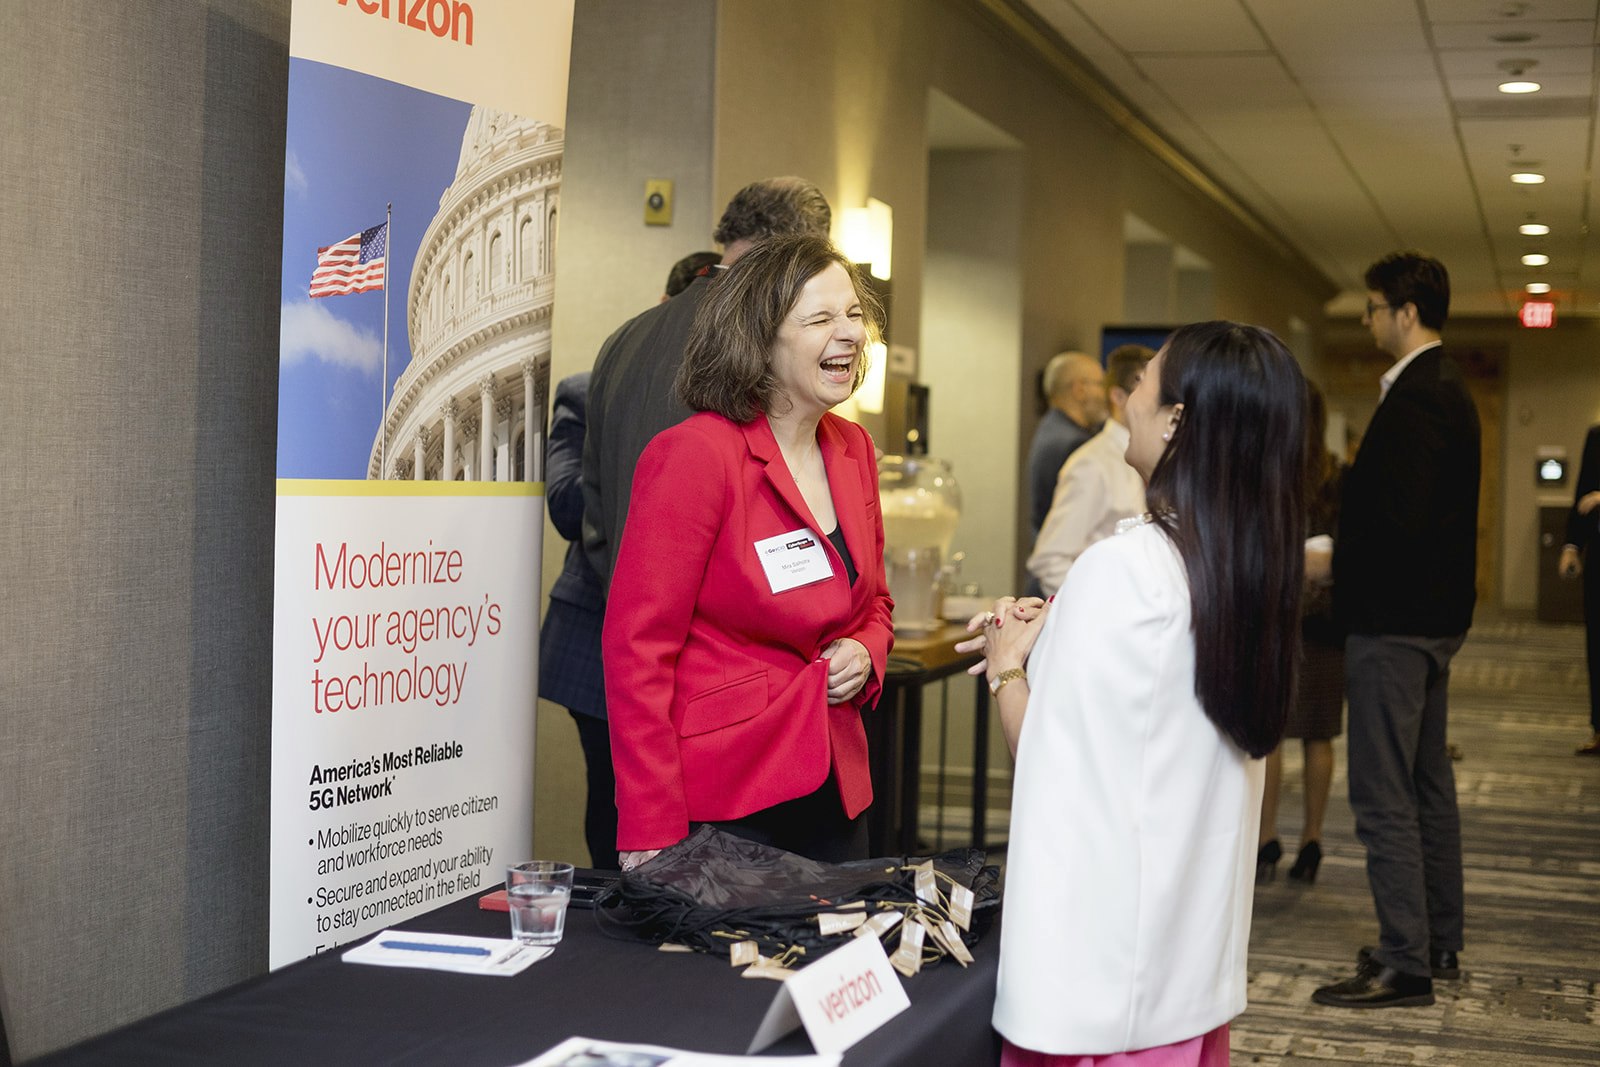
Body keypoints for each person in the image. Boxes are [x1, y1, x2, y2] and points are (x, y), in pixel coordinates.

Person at [961, 321, 1307, 1064]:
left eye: (1145, 379)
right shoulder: (1243, 570)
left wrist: (1008, 664)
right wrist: (1061, 627)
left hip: (1106, 972)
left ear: (1176, 418)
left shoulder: (1123, 571)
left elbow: (1047, 761)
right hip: (1186, 960)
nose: (1128, 396)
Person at [603, 235, 895, 870]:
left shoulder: (853, 449)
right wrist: (649, 823)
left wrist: (864, 651)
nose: (849, 334)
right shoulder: (697, 455)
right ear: (760, 340)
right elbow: (637, 651)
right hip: (728, 794)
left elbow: (875, 603)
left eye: (854, 314)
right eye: (821, 319)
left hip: (834, 788)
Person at [1314, 251, 1479, 1009]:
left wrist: (1333, 563)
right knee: (1426, 783)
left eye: (1374, 307)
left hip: (1395, 625)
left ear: (1406, 313)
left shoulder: (1418, 396)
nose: (1367, 319)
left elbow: (1399, 525)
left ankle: (1404, 961)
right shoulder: (1448, 387)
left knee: (1383, 793)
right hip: (1432, 622)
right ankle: (1437, 938)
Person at [536, 252, 727, 871]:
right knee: (613, 813)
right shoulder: (590, 390)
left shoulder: (723, 407)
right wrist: (638, 463)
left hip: (690, 650)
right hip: (592, 637)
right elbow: (567, 504)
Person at [582, 177, 831, 591]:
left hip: (623, 602)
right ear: (799, 252)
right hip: (722, 619)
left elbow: (594, 508)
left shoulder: (624, 338)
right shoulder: (764, 338)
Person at [1257, 380, 1344, 885]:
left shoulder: (1269, 471)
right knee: (1319, 734)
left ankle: (1266, 836)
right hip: (1327, 621)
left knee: (1271, 735)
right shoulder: (1338, 475)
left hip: (1277, 615)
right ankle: (1312, 838)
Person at [1026, 344, 1154, 596]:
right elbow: (1049, 559)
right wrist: (1097, 607)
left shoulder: (1156, 458)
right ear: (1119, 397)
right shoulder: (1092, 463)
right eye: (1150, 394)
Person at [1025, 351, 1106, 540]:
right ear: (1080, 390)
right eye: (1101, 384)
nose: (1105, 394)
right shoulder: (1076, 445)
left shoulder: (1050, 427)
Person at [1560, 423, 1600, 754]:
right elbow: (1583, 493)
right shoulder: (1597, 436)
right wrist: (1572, 545)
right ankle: (1599, 728)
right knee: (1596, 642)